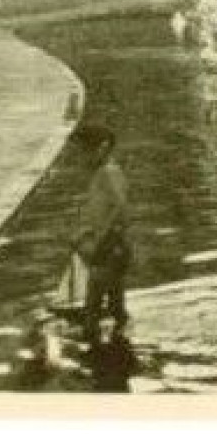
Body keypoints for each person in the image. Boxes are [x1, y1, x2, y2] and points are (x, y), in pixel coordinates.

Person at [72, 124, 130, 345]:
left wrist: (99, 243)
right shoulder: (102, 173)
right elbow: (107, 211)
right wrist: (87, 232)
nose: (81, 159)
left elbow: (121, 208)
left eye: (83, 152)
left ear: (102, 148)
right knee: (115, 308)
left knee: (92, 311)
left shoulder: (108, 172)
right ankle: (120, 354)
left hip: (109, 251)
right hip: (112, 249)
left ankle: (97, 363)